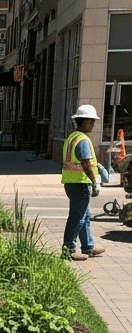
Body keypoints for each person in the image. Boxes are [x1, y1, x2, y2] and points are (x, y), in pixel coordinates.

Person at [62, 104, 106, 260]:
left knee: (85, 215)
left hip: (72, 183)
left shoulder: (72, 137)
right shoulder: (83, 140)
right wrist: (95, 180)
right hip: (80, 184)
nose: (93, 125)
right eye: (91, 122)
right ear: (84, 122)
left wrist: (98, 167)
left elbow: (85, 162)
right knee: (77, 217)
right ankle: (69, 248)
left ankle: (88, 247)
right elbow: (86, 163)